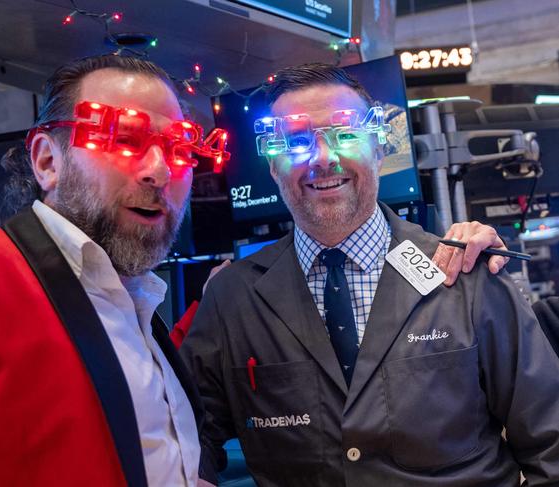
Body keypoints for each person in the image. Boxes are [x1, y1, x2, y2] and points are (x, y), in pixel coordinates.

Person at [181, 63, 559, 486]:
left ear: (379, 148)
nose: (322, 159)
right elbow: (192, 439)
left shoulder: (467, 271)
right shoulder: (233, 298)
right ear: (273, 167)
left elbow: (551, 441)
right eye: (297, 141)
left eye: (345, 135)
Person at [0, 55, 227, 487]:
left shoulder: (138, 308)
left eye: (178, 148)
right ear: (46, 161)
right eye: (124, 138)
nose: (159, 170)